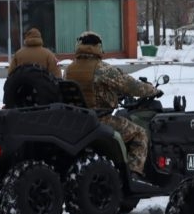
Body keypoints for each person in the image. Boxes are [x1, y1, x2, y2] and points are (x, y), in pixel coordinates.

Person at [63, 31, 158, 178]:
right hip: (100, 121)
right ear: (98, 47)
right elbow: (131, 86)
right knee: (140, 134)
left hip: (76, 122)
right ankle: (133, 176)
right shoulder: (103, 69)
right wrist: (152, 90)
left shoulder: (69, 69)